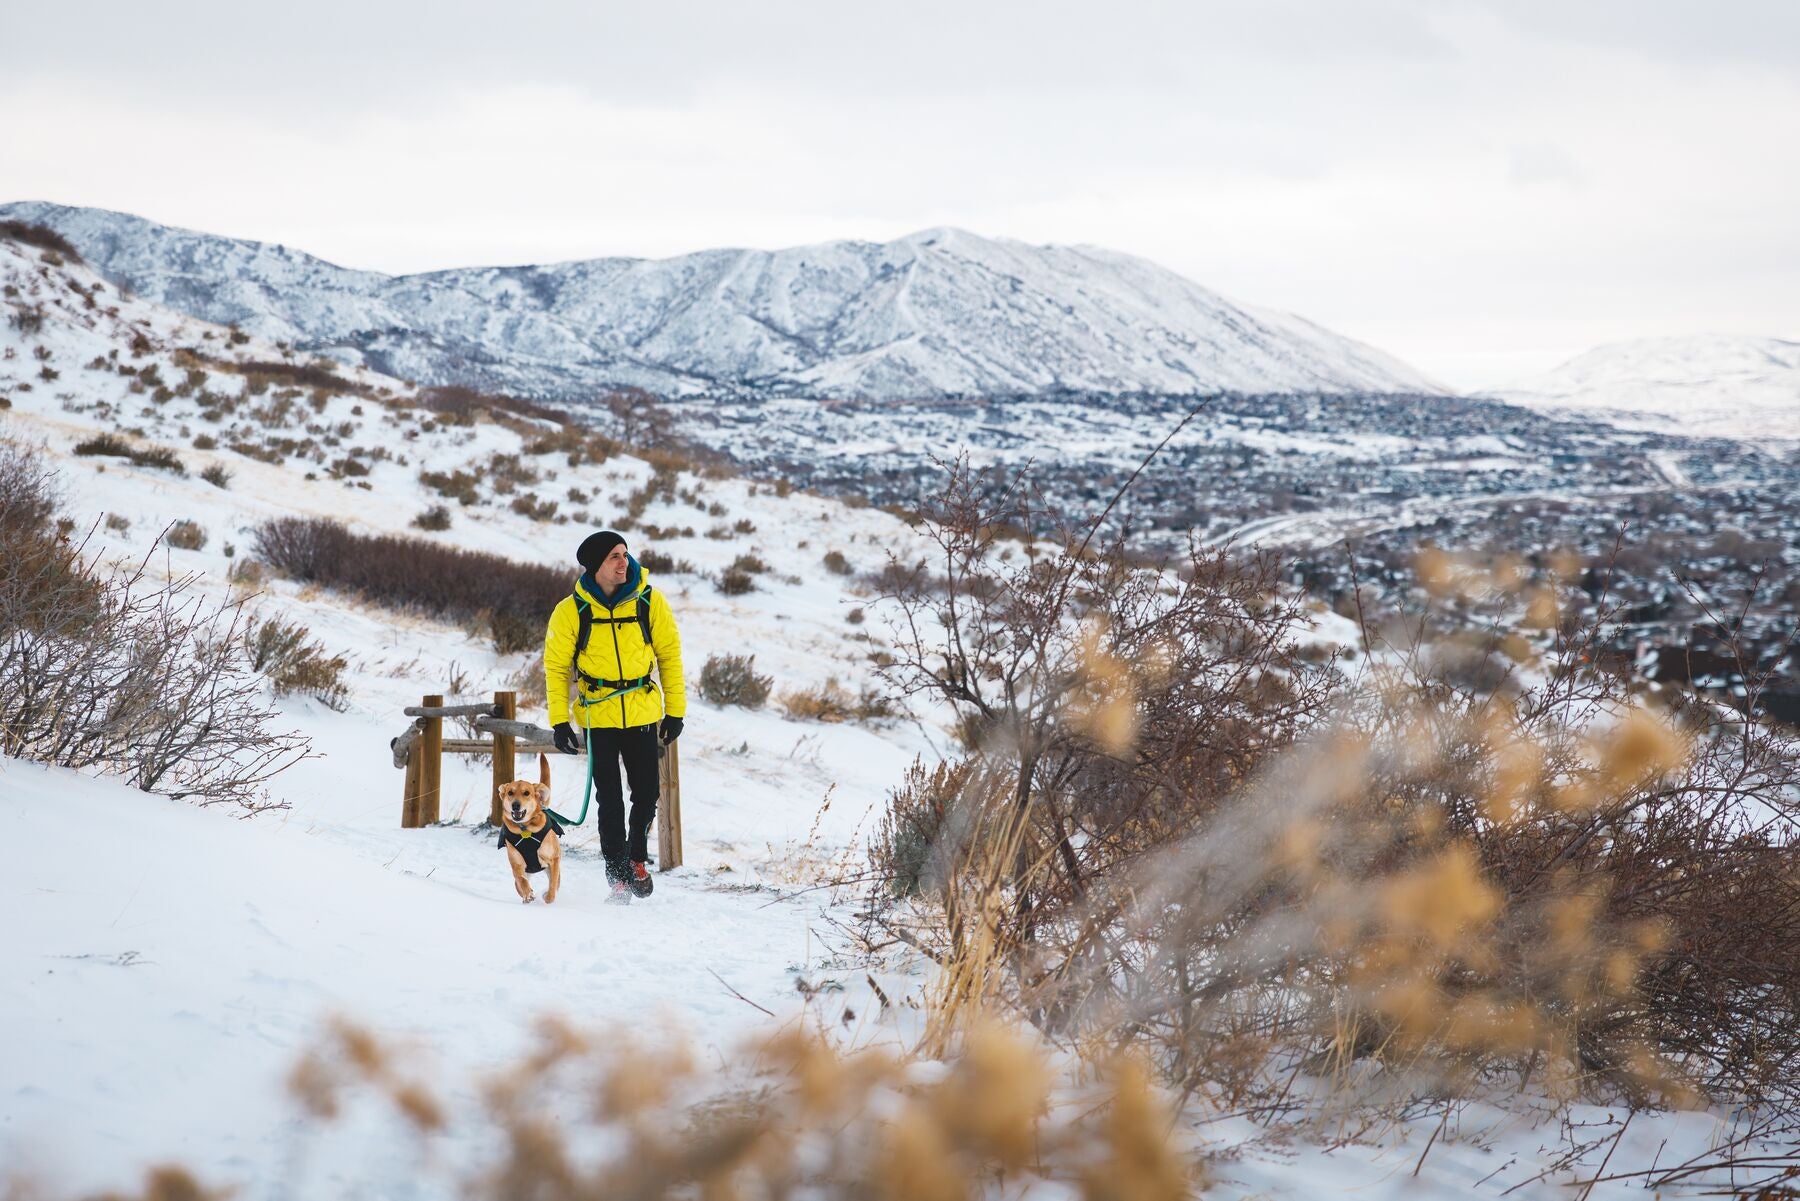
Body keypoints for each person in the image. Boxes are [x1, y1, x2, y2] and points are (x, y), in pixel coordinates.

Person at [545, 530, 686, 902]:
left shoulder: (648, 601)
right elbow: (557, 669)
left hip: (642, 710)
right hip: (598, 717)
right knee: (609, 798)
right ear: (596, 566)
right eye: (614, 557)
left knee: (647, 792)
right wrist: (560, 721)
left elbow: (670, 656)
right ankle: (618, 873)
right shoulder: (571, 611)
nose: (624, 562)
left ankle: (637, 858)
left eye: (625, 554)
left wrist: (676, 711)